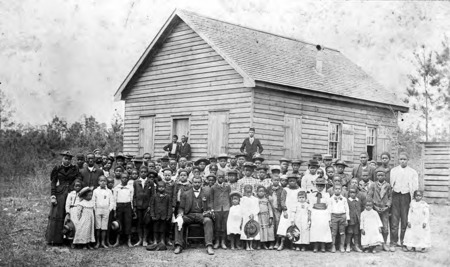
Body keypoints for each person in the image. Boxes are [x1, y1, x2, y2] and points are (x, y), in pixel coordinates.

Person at [46, 151, 81, 245]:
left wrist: (74, 189)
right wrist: (53, 195)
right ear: (62, 159)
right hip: (59, 193)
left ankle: (69, 239)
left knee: (70, 214)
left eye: (69, 159)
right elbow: (53, 182)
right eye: (65, 158)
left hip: (70, 193)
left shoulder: (74, 168)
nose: (67, 160)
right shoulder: (57, 168)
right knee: (58, 214)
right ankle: (56, 239)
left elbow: (78, 179)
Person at [173, 176, 215, 255]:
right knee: (179, 221)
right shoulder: (185, 194)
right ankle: (178, 245)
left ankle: (209, 245)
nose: (197, 184)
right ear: (192, 183)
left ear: (201, 183)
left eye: (199, 182)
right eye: (195, 182)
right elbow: (181, 207)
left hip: (201, 215)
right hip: (189, 215)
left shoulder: (206, 193)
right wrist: (180, 214)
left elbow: (210, 207)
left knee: (208, 221)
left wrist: (208, 212)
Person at [389, 152, 418, 251]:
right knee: (394, 220)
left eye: (404, 159)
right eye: (401, 159)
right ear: (398, 160)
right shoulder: (394, 171)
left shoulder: (412, 172)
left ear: (408, 160)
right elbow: (391, 185)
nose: (403, 161)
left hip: (406, 196)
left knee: (405, 220)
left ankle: (403, 242)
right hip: (395, 196)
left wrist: (413, 199)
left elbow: (415, 187)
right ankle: (393, 242)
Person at [367, 169, 392, 251]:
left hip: (385, 209)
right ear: (376, 176)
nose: (380, 177)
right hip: (375, 208)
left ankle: (384, 243)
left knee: (385, 227)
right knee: (375, 226)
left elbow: (390, 197)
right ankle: (375, 243)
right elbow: (369, 196)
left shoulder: (388, 185)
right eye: (378, 175)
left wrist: (387, 206)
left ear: (385, 176)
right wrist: (374, 206)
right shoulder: (373, 185)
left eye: (382, 175)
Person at [277, 175, 301, 251]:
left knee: (293, 227)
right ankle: (282, 243)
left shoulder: (299, 190)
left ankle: (292, 244)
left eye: (293, 181)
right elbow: (282, 200)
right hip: (287, 210)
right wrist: (284, 210)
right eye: (290, 181)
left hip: (295, 211)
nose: (292, 182)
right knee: (284, 226)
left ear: (296, 181)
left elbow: (299, 200)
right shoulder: (285, 190)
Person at [308, 177, 332, 253]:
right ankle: (315, 246)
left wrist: (329, 217)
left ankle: (323, 246)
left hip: (323, 213)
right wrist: (309, 215)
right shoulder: (312, 195)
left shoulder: (327, 195)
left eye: (321, 186)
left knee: (323, 229)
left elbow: (329, 206)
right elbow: (310, 206)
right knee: (315, 229)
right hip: (315, 213)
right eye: (318, 186)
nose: (320, 187)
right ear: (316, 186)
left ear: (324, 186)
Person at [133, 166, 155, 247]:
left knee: (146, 223)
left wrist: (150, 205)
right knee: (139, 223)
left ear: (147, 173)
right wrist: (135, 206)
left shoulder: (150, 182)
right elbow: (134, 195)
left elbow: (153, 195)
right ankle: (140, 239)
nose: (143, 173)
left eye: (145, 172)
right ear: (139, 172)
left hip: (147, 206)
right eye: (141, 172)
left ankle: (145, 239)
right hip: (138, 206)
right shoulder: (136, 182)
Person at [148, 181, 173, 250]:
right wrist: (152, 215)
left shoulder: (167, 196)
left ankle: (162, 241)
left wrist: (168, 216)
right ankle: (155, 241)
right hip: (156, 216)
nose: (161, 188)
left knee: (163, 229)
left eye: (162, 187)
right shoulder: (154, 196)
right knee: (155, 229)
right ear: (157, 188)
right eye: (159, 187)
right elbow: (152, 206)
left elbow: (169, 207)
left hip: (164, 216)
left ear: (165, 188)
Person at [112, 173, 134, 248]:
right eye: (123, 178)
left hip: (127, 206)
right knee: (119, 223)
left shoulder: (130, 188)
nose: (124, 179)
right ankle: (117, 241)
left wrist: (132, 209)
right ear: (120, 179)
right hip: (119, 206)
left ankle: (129, 240)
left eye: (126, 178)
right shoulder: (116, 188)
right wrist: (115, 210)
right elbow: (114, 199)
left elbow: (131, 199)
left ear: (128, 179)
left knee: (128, 223)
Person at [210, 172, 231, 249]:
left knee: (224, 225)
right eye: (219, 177)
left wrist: (230, 207)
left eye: (222, 177)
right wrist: (212, 208)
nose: (221, 179)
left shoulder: (227, 186)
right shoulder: (213, 187)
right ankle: (217, 241)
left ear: (224, 178)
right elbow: (211, 199)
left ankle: (223, 242)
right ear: (217, 178)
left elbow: (230, 197)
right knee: (217, 226)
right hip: (217, 208)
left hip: (226, 208)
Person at [93, 176, 115, 249]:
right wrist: (95, 209)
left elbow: (112, 202)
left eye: (104, 181)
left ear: (106, 182)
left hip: (106, 210)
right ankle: (98, 242)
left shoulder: (109, 191)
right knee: (98, 227)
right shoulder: (95, 191)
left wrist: (109, 209)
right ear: (98, 182)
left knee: (104, 227)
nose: (103, 182)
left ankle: (103, 242)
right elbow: (93, 201)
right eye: (101, 181)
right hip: (98, 210)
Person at [328, 184, 350, 253]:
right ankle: (333, 245)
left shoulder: (344, 199)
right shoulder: (331, 199)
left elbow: (347, 209)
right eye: (336, 189)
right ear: (333, 190)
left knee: (342, 232)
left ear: (341, 190)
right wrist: (329, 220)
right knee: (333, 232)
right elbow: (329, 210)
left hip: (342, 216)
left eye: (339, 189)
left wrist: (347, 219)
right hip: (334, 216)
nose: (338, 190)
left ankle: (342, 245)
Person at [240, 184, 260, 251]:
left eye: (250, 191)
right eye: (247, 191)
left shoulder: (255, 199)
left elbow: (257, 208)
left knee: (253, 230)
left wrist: (253, 214)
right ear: (244, 192)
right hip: (246, 216)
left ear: (252, 191)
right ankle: (247, 245)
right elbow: (242, 208)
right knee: (247, 230)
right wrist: (248, 214)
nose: (248, 193)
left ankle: (251, 245)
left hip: (253, 216)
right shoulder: (242, 199)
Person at [64, 179, 83, 247]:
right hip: (72, 211)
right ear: (73, 186)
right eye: (76, 186)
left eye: (79, 186)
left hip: (79, 211)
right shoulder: (71, 194)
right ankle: (71, 241)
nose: (78, 187)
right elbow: (67, 204)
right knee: (72, 226)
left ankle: (78, 242)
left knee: (79, 226)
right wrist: (68, 212)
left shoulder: (82, 194)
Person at [267, 175, 283, 250]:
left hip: (277, 209)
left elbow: (282, 199)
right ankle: (271, 242)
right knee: (270, 225)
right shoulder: (268, 188)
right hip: (270, 209)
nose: (276, 181)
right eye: (274, 180)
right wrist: (268, 196)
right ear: (271, 180)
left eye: (277, 180)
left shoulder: (281, 189)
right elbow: (265, 196)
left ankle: (277, 242)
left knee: (277, 225)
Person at [346, 186, 363, 252]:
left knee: (356, 233)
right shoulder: (347, 201)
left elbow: (360, 209)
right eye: (351, 192)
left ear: (356, 193)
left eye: (354, 192)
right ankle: (348, 245)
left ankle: (356, 245)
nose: (352, 194)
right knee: (349, 232)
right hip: (350, 220)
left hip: (357, 220)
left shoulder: (358, 201)